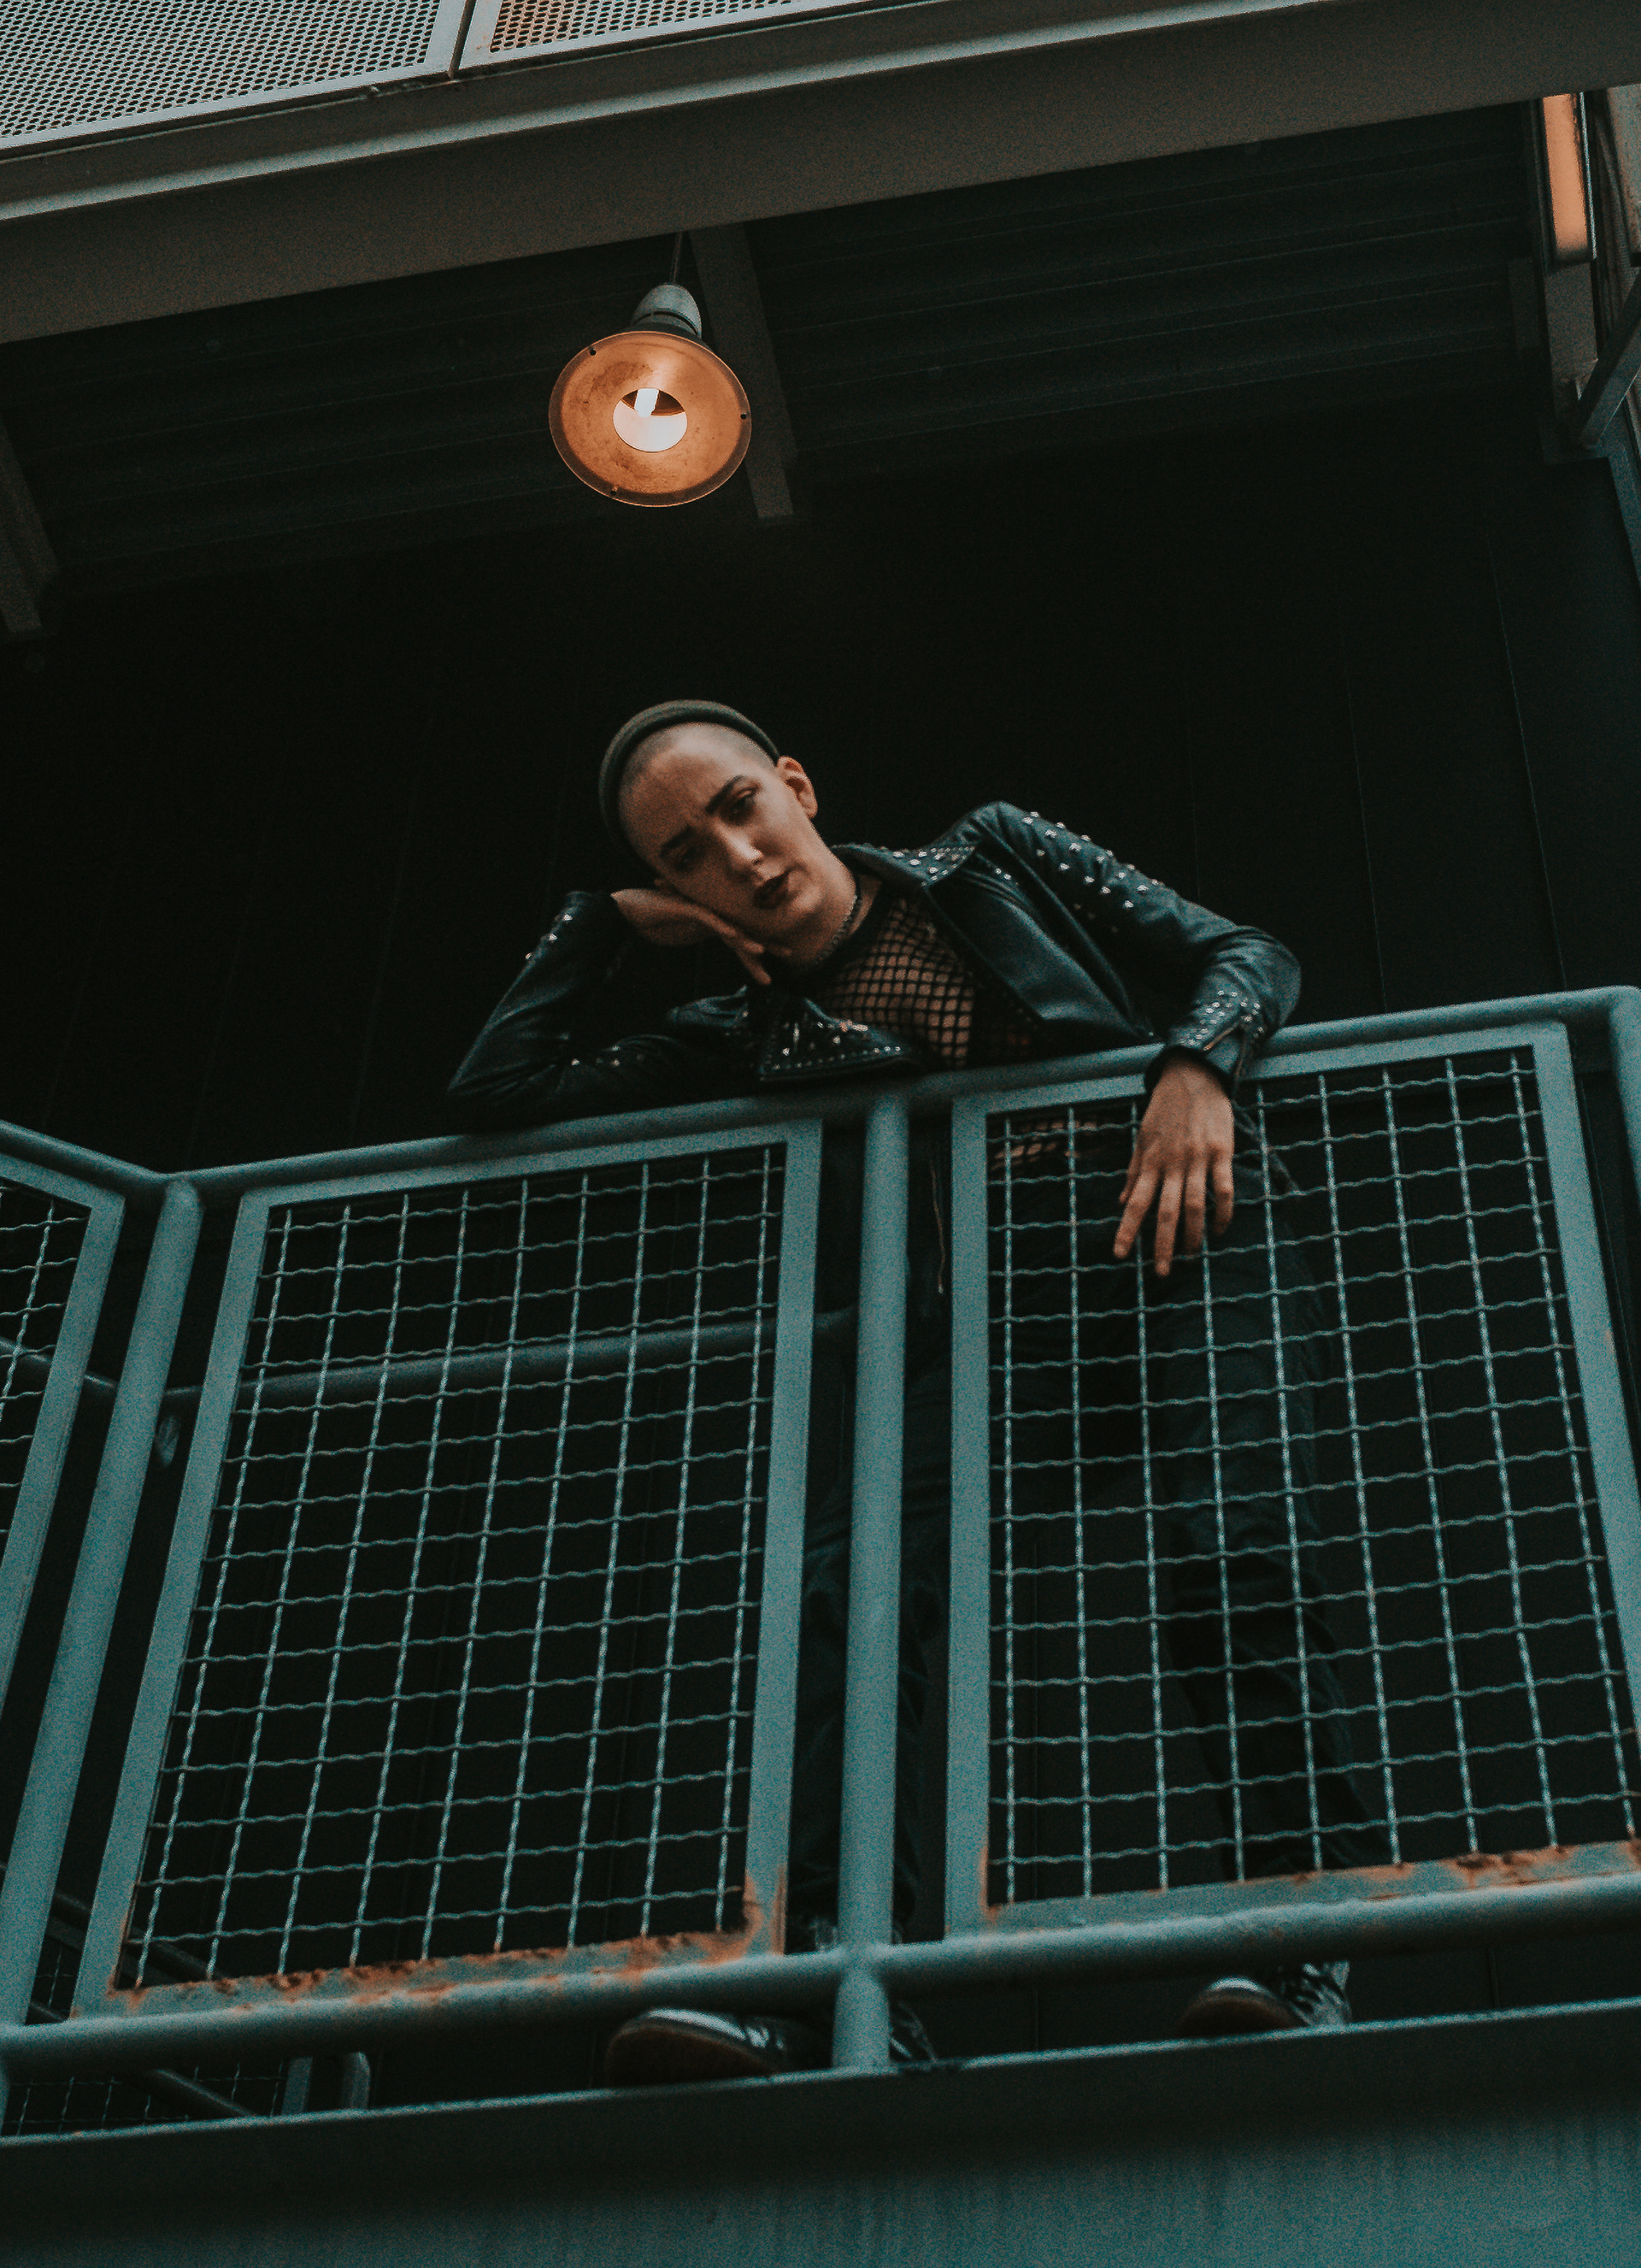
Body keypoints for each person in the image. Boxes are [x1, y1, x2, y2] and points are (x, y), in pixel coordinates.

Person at [448, 699, 1390, 2082]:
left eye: (737, 807)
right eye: (686, 854)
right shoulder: (741, 1027)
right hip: (1000, 1330)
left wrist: (1197, 1063)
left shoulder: (988, 858)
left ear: (794, 784)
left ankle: (1308, 1947)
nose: (735, 857)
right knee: (854, 1591)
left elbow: (1246, 952)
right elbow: (498, 1088)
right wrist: (607, 923)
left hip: (1184, 1246)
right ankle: (845, 1992)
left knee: (1236, 1557)